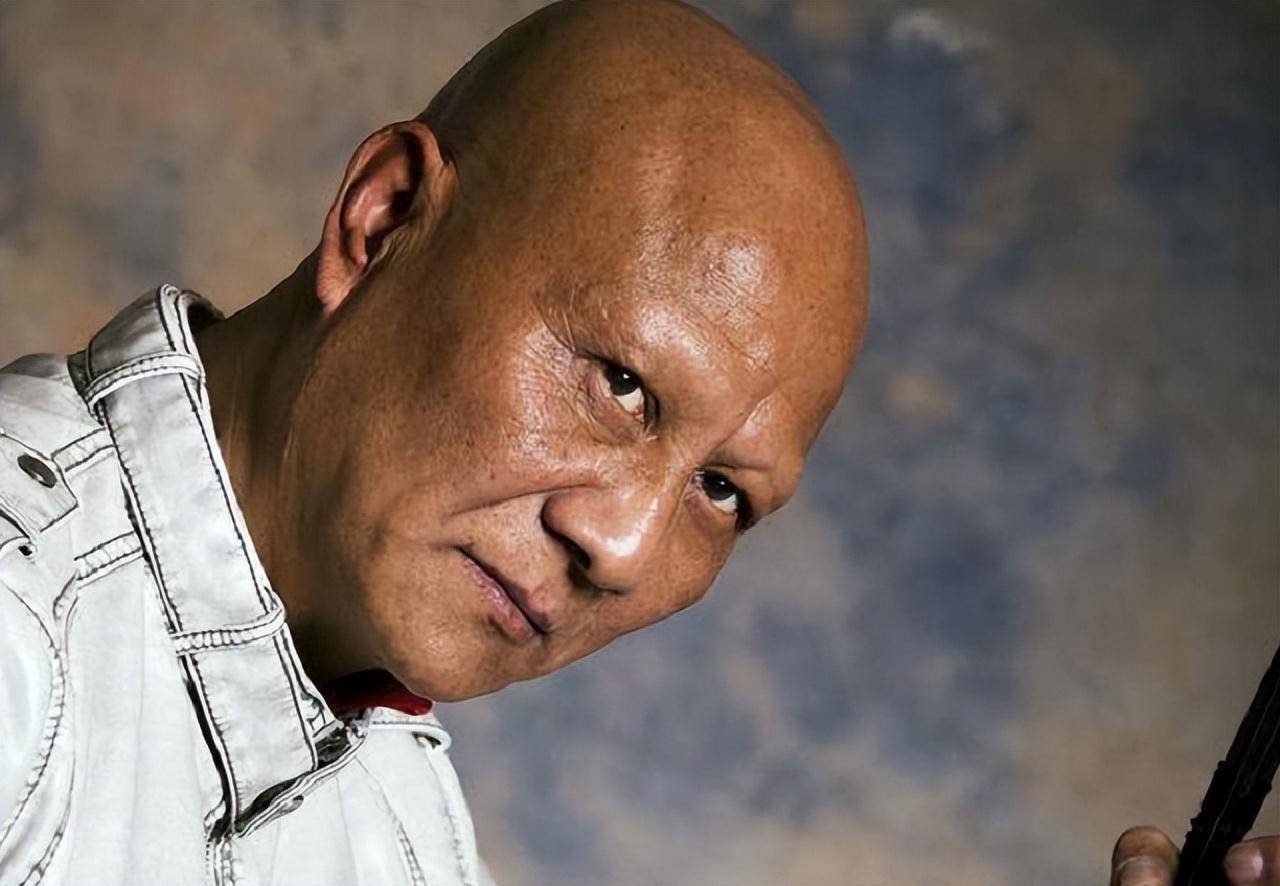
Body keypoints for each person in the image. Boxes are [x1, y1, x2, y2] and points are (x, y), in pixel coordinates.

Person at [0, 1, 1271, 884]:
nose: (618, 544)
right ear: (382, 221)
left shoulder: (394, 811)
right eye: (619, 384)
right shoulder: (21, 648)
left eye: (719, 491)